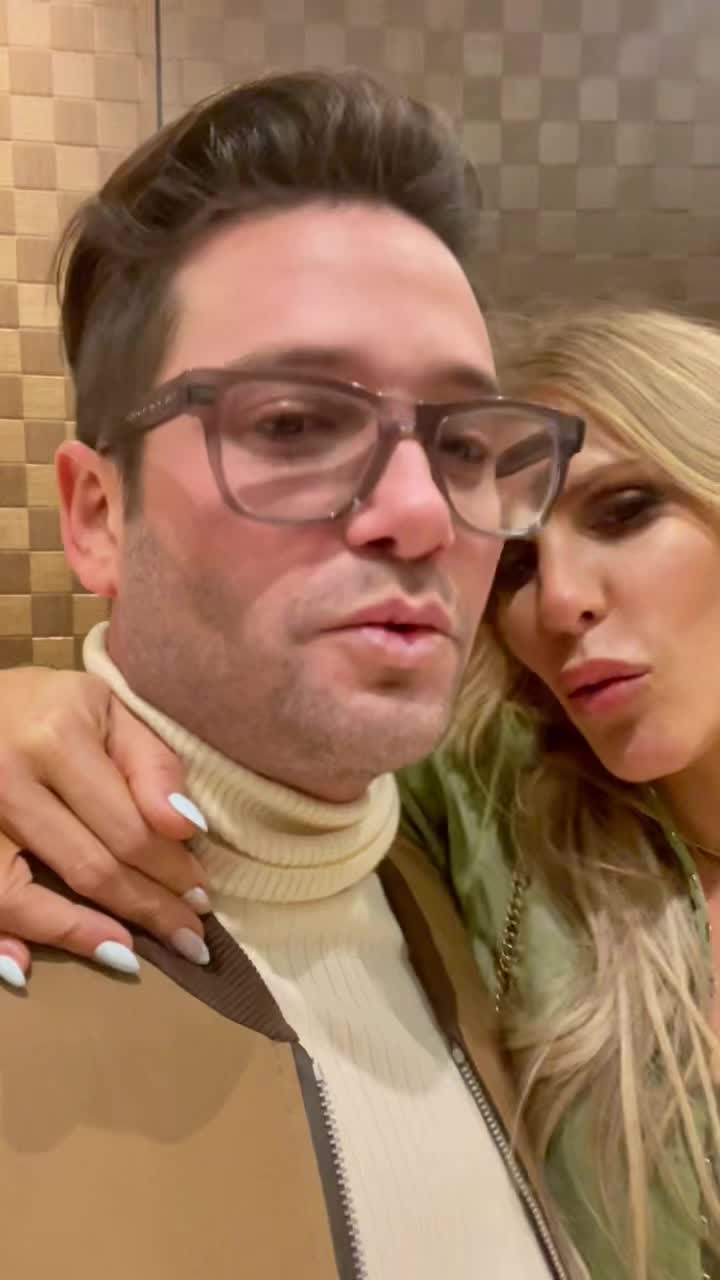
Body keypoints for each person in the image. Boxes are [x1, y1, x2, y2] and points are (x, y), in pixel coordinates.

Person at [0, 69, 586, 1280]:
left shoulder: (493, 904)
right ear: (99, 515)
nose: (423, 513)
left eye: (465, 443)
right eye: (292, 425)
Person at [2, 304, 719, 1280]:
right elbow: (236, 744)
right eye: (515, 562)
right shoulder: (493, 817)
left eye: (625, 511)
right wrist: (24, 714)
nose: (560, 602)